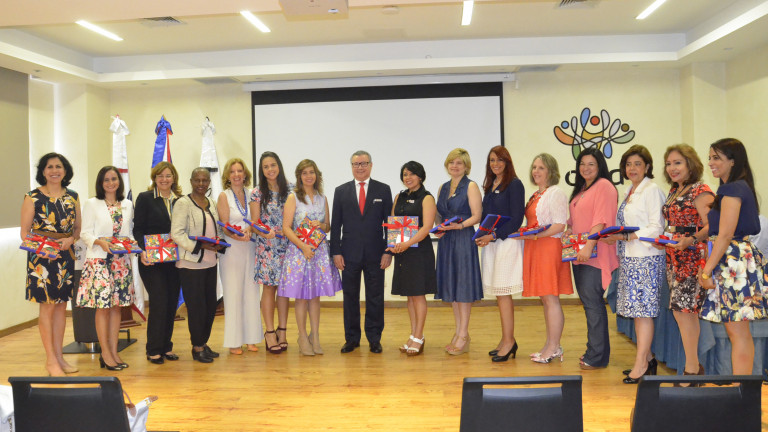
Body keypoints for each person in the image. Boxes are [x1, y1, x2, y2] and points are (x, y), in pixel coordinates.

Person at [699, 138, 768, 375]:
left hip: (733, 261)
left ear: (732, 161)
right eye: (710, 157)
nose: (711, 163)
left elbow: (725, 234)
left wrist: (706, 271)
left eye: (716, 158)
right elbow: (719, 231)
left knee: (737, 331)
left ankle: (742, 388)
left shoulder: (732, 189)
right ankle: (744, 387)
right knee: (738, 331)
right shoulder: (736, 187)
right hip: (738, 259)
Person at [599, 145, 665, 383]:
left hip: (646, 259)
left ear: (647, 166)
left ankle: (641, 364)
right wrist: (617, 236)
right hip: (630, 258)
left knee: (643, 314)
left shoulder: (652, 189)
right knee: (638, 314)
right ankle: (648, 358)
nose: (632, 168)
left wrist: (625, 236)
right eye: (628, 164)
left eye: (637, 164)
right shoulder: (630, 190)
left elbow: (656, 227)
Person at [21, 152, 81, 376]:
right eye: (50, 167)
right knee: (47, 307)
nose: (54, 171)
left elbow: (77, 229)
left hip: (65, 257)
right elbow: (25, 233)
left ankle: (59, 357)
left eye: (58, 166)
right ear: (43, 171)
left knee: (61, 307)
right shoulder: (32, 197)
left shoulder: (73, 196)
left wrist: (70, 239)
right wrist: (45, 248)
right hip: (42, 260)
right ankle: (50, 361)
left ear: (65, 171)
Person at [659, 144, 713, 379]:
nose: (672, 168)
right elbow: (674, 224)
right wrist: (663, 239)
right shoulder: (675, 190)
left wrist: (691, 239)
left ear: (691, 164)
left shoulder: (701, 191)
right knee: (680, 313)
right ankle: (693, 367)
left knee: (686, 312)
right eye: (669, 164)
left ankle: (692, 370)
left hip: (692, 258)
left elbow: (713, 225)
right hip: (674, 257)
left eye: (677, 163)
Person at [331, 150, 393, 354]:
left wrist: (388, 252)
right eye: (356, 164)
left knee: (375, 297)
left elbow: (390, 224)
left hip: (376, 254)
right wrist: (336, 252)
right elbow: (336, 224)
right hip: (348, 254)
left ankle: (374, 339)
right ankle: (352, 339)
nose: (360, 167)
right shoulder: (341, 191)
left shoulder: (383, 190)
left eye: (364, 163)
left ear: (371, 165)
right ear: (351, 166)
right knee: (350, 297)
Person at [279, 160, 342, 356]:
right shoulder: (293, 198)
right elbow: (286, 227)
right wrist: (303, 246)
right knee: (301, 298)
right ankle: (302, 336)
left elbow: (327, 226)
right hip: (300, 252)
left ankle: (315, 336)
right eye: (305, 173)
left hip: (319, 253)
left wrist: (321, 225)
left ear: (317, 175)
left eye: (312, 172)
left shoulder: (323, 198)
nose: (309, 176)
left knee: (315, 297)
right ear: (299, 176)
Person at [76, 166, 135, 371]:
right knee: (103, 307)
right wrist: (100, 243)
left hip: (121, 262)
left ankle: (114, 351)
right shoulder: (92, 203)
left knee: (117, 307)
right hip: (99, 261)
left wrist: (134, 244)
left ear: (119, 181)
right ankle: (105, 353)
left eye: (114, 179)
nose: (111, 183)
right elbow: (85, 233)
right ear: (101, 183)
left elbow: (129, 233)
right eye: (106, 180)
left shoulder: (127, 204)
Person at [566, 147, 618, 370]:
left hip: (595, 254)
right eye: (582, 164)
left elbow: (600, 221)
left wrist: (589, 246)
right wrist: (568, 232)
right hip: (579, 254)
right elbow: (575, 221)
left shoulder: (604, 186)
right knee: (589, 303)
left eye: (591, 164)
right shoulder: (582, 190)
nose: (585, 168)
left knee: (593, 304)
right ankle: (595, 352)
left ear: (600, 166)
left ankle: (597, 357)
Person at [519, 153, 573, 364]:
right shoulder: (536, 194)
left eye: (541, 167)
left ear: (551, 171)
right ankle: (550, 345)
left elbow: (560, 225)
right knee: (545, 298)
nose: (536, 171)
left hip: (548, 248)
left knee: (551, 298)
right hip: (536, 246)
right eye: (534, 167)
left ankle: (554, 347)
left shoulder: (555, 192)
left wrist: (535, 236)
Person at [473, 146, 525, 362]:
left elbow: (516, 220)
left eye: (500, 160)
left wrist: (493, 235)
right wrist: (481, 234)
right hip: (491, 245)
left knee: (504, 294)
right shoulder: (491, 184)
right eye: (492, 160)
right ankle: (505, 340)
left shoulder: (515, 184)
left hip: (506, 244)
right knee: (499, 294)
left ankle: (509, 341)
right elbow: (487, 217)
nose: (496, 164)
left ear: (507, 162)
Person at [171, 168, 226, 363]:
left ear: (209, 182)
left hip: (210, 262)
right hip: (190, 264)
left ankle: (203, 342)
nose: (201, 184)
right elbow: (176, 234)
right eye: (197, 180)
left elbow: (218, 228)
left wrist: (220, 242)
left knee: (210, 306)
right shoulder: (183, 203)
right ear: (191, 181)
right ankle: (197, 347)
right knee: (196, 308)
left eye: (205, 180)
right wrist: (199, 246)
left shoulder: (211, 203)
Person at [435, 148, 483, 355]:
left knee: (463, 288)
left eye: (459, 163)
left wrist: (460, 226)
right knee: (452, 288)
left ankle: (463, 334)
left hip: (463, 238)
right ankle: (459, 331)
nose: (454, 166)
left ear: (466, 166)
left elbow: (477, 215)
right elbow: (439, 214)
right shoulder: (443, 187)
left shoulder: (471, 186)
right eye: (451, 162)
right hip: (447, 241)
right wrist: (438, 228)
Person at [134, 161, 182, 365]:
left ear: (174, 178)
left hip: (174, 260)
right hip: (151, 260)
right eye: (160, 176)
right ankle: (153, 349)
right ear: (154, 178)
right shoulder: (145, 198)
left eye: (168, 175)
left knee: (171, 303)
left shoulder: (180, 200)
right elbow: (137, 229)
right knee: (159, 300)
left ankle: (166, 346)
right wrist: (142, 250)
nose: (164, 179)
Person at [388, 161, 437, 356]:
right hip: (403, 251)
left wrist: (407, 243)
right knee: (410, 295)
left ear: (420, 176)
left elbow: (427, 227)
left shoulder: (427, 198)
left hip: (419, 251)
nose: (408, 178)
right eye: (405, 174)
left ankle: (418, 336)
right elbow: (395, 223)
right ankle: (414, 334)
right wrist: (395, 244)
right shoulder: (399, 196)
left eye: (412, 174)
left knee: (418, 295)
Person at [217, 158, 262, 355]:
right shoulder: (224, 196)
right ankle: (234, 342)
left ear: (245, 174)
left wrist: (250, 231)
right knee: (233, 294)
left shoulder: (252, 194)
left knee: (251, 293)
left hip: (250, 247)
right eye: (233, 171)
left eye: (240, 171)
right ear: (228, 176)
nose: (236, 175)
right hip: (232, 249)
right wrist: (237, 235)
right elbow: (224, 225)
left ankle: (251, 339)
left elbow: (255, 221)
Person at [250, 151, 291, 354]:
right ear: (262, 170)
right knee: (269, 289)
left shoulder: (290, 189)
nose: (270, 169)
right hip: (267, 247)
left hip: (288, 246)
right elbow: (254, 223)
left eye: (273, 165)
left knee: (284, 290)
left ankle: (282, 331)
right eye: (266, 167)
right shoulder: (257, 192)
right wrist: (264, 232)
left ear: (279, 166)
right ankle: (269, 332)